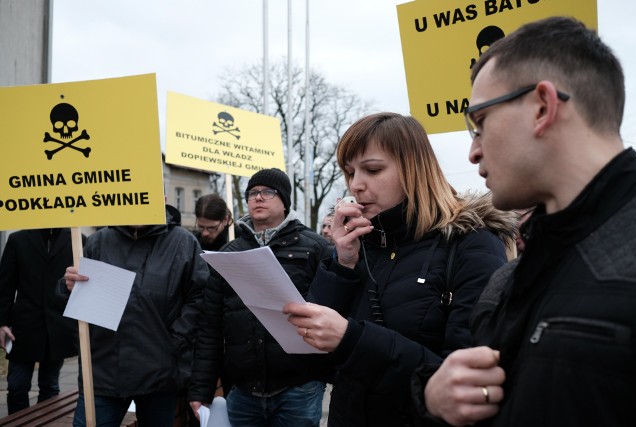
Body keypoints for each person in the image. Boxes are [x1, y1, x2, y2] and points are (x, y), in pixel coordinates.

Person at [416, 16, 636, 427]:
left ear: (542, 107)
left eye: (479, 123)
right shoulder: (507, 281)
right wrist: (438, 403)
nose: (473, 152)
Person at [283, 112, 516, 426]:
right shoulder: (359, 248)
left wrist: (351, 339)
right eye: (350, 172)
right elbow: (310, 365)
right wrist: (342, 266)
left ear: (415, 169)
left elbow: (465, 382)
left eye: (373, 169)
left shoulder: (471, 244)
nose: (356, 185)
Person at [188, 168, 332, 427]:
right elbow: (210, 327)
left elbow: (332, 312)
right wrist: (201, 389)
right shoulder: (228, 254)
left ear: (285, 201)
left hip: (299, 388)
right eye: (253, 192)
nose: (258, 197)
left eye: (268, 192)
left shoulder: (315, 248)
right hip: (243, 390)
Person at [60, 204, 210, 427]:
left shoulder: (183, 242)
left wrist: (176, 342)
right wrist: (68, 286)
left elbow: (200, 298)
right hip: (104, 372)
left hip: (160, 372)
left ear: (160, 198)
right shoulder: (99, 241)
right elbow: (80, 299)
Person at [0, 228, 82, 414]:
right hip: (23, 328)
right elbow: (5, 285)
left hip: (58, 329)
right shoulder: (17, 240)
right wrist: (2, 323)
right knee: (16, 386)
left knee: (50, 386)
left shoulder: (77, 240)